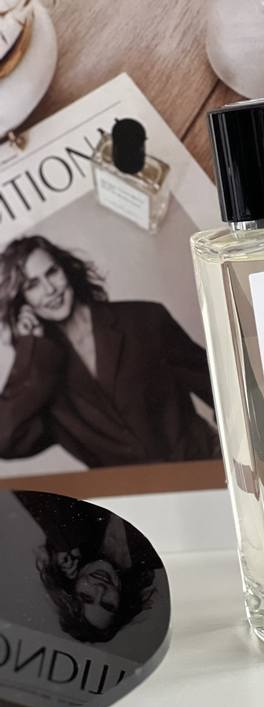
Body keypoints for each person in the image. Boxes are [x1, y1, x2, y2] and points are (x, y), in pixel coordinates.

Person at [0, 235, 221, 466]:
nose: (49, 289)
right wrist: (29, 349)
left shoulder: (144, 319)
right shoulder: (40, 372)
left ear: (66, 269)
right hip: (135, 490)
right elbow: (5, 439)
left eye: (52, 272)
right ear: (21, 302)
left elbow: (216, 387)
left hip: (204, 463)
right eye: (32, 285)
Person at [14, 491, 166, 644]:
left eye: (86, 596)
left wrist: (65, 544)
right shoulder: (157, 554)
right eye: (108, 605)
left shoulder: (78, 530)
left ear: (72, 585)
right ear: (121, 603)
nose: (100, 590)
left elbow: (30, 486)